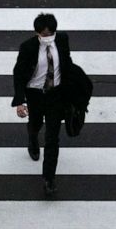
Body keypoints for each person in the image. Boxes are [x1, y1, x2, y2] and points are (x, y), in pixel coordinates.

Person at [11, 13, 77, 196]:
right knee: (36, 123)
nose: (48, 38)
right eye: (43, 34)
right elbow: (19, 73)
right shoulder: (28, 47)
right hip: (35, 94)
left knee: (52, 138)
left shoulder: (62, 39)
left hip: (56, 94)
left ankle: (49, 179)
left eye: (50, 34)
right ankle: (32, 136)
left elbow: (67, 62)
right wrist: (19, 101)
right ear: (37, 32)